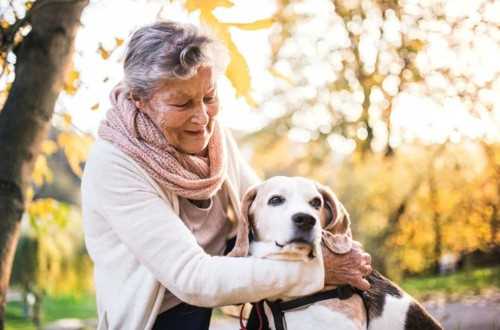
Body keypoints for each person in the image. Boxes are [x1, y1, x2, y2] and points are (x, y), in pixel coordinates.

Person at [81, 21, 372, 330]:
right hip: (162, 315)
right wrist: (318, 271)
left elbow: (261, 209)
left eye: (209, 96)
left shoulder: (211, 134)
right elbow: (191, 277)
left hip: (225, 282)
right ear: (140, 100)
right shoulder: (114, 164)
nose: (202, 118)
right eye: (182, 103)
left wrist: (326, 245)